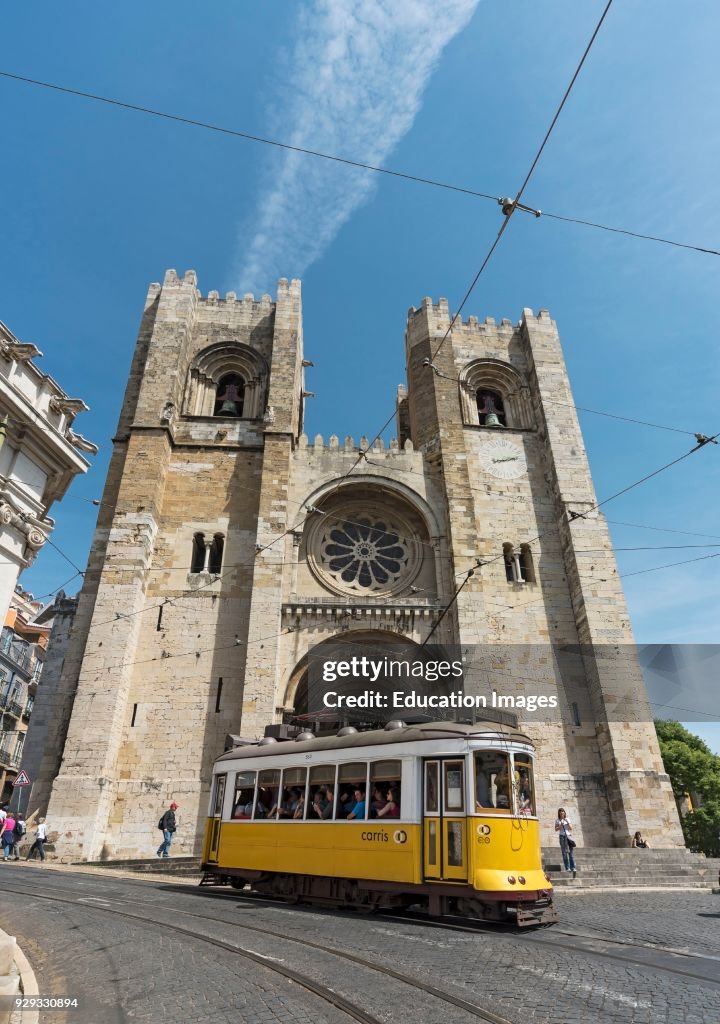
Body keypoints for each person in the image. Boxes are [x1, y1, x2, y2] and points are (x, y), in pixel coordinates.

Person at [555, 807, 576, 877]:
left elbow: (570, 828)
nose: (561, 813)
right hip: (562, 837)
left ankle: (573, 867)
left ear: (564, 813)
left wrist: (567, 822)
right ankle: (567, 868)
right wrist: (560, 825)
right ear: (559, 814)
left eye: (562, 812)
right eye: (560, 812)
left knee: (570, 853)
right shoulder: (557, 820)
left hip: (568, 836)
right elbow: (556, 829)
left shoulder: (568, 819)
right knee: (564, 853)